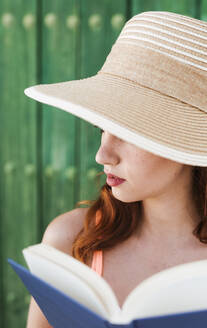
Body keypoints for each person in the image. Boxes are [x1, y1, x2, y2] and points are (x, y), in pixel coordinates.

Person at [24, 10, 207, 328]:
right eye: (102, 128)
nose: (102, 154)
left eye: (127, 132)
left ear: (184, 144)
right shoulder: (70, 241)